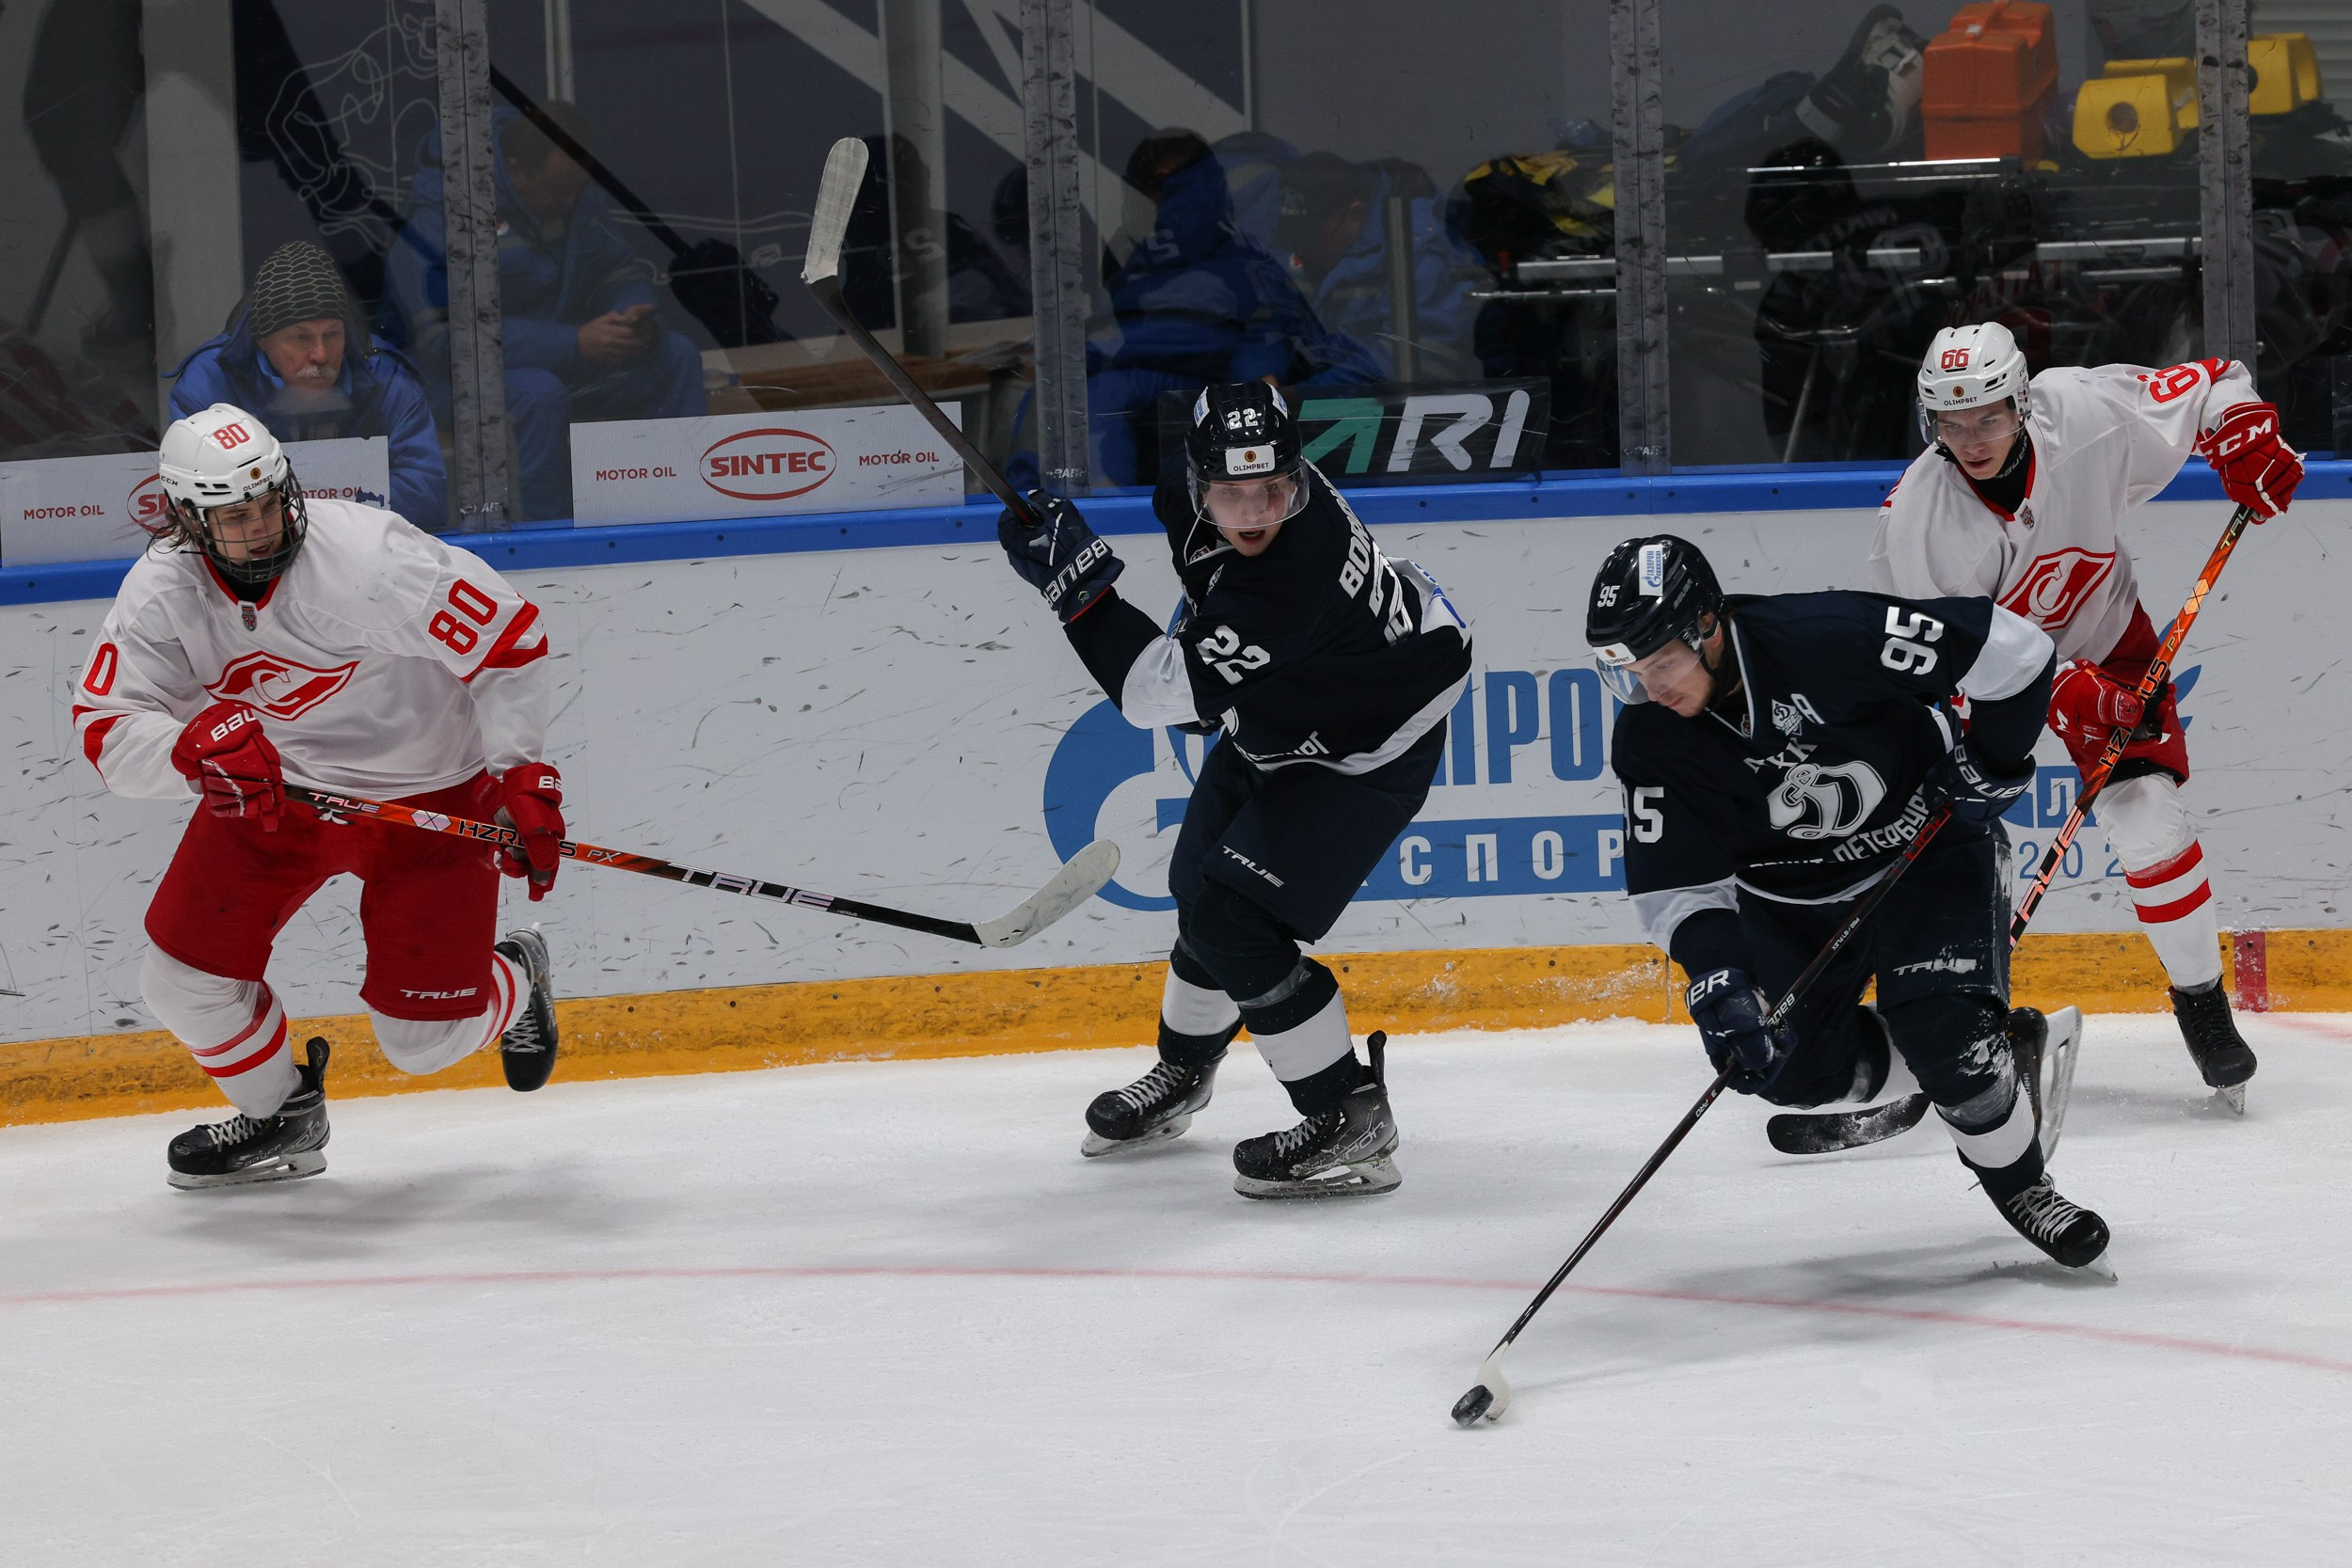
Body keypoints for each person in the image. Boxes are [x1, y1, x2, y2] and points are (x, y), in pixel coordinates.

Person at [70, 404, 566, 1188]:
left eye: (270, 500)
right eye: (236, 514)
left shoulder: (368, 557)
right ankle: (281, 1117)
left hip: (427, 794)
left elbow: (508, 637)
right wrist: (189, 752)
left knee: (423, 1044)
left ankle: (518, 975)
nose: (263, 525)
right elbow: (105, 729)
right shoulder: (161, 597)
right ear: (186, 520)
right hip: (281, 794)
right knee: (179, 979)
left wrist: (518, 775)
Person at [995, 382, 1470, 1199]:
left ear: (1299, 477)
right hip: (1289, 707)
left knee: (1233, 916)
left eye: (1273, 491)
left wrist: (1076, 587)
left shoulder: (1298, 570)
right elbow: (1210, 604)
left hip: (1367, 740)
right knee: (1196, 889)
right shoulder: (1198, 500)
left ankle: (1349, 1116)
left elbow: (1150, 695)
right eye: (1231, 492)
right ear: (1197, 480)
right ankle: (1185, 1072)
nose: (1252, 512)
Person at [1592, 533, 2113, 1273]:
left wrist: (1993, 761)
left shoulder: (1826, 639)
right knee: (1777, 1067)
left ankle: (2020, 1179)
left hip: (1924, 854)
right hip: (1787, 901)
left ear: (1707, 625)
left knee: (1943, 1036)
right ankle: (1985, 1062)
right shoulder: (1651, 738)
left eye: (1662, 662)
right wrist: (1720, 979)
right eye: (1629, 671)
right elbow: (1675, 882)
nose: (1651, 687)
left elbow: (2019, 650)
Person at [1867, 322, 2301, 1109]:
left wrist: (2243, 430)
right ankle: (1922, 1026)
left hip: (2105, 636)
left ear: (2022, 400)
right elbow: (1955, 661)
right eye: (1951, 423)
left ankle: (2202, 1005)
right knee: (1935, 842)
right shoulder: (1920, 522)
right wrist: (2064, 692)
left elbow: (2215, 382)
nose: (1971, 440)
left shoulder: (2086, 412)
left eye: (1989, 418)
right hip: (1978, 684)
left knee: (2149, 823)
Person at [386, 102, 706, 521]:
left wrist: (631, 318)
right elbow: (444, 340)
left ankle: (682, 510)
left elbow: (617, 270)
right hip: (452, 386)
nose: (569, 201)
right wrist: (573, 343)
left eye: (576, 189)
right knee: (538, 393)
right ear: (515, 169)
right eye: (557, 191)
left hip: (566, 362)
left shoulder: (573, 196)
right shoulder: (443, 217)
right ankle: (547, 534)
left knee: (676, 354)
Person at [169, 241, 450, 531]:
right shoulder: (209, 384)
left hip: (362, 553)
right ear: (263, 340)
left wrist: (286, 511)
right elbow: (189, 504)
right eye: (301, 338)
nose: (320, 354)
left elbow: (426, 498)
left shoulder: (386, 377)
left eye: (332, 334)